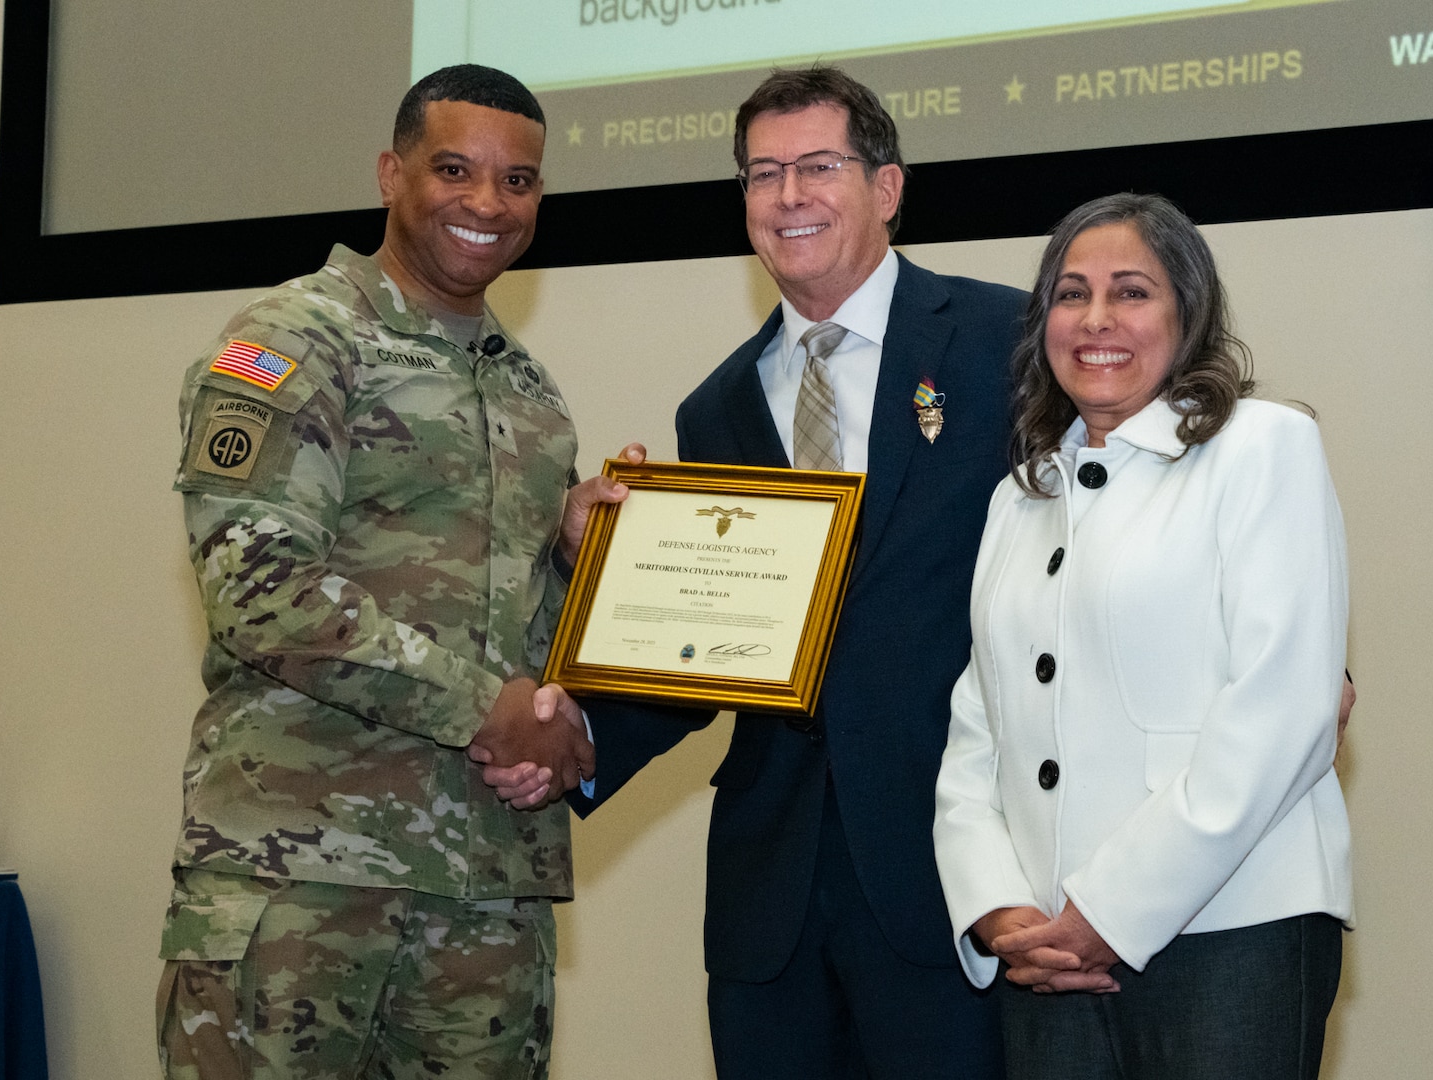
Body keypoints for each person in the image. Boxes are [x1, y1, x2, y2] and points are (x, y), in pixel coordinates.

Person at [482, 65, 1028, 1077]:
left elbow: (1110, 528)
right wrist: (582, 735)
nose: (789, 197)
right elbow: (723, 643)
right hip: (769, 900)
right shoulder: (719, 407)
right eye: (763, 174)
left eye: (818, 167)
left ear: (888, 187)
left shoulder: (1008, 342)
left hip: (951, 876)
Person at [156, 64, 617, 1080]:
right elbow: (258, 589)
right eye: (455, 169)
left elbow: (510, 635)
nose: (488, 204)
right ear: (389, 172)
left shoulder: (534, 395)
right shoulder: (294, 339)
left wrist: (580, 589)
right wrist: (490, 707)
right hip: (303, 887)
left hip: (490, 897)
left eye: (519, 181)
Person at [933, 192, 1352, 1079]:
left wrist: (1111, 912)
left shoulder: (1261, 448)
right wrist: (997, 906)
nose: (1095, 320)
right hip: (1047, 954)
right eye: (1070, 293)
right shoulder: (1022, 494)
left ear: (1187, 313)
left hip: (1232, 933)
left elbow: (1286, 707)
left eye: (1131, 292)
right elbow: (980, 724)